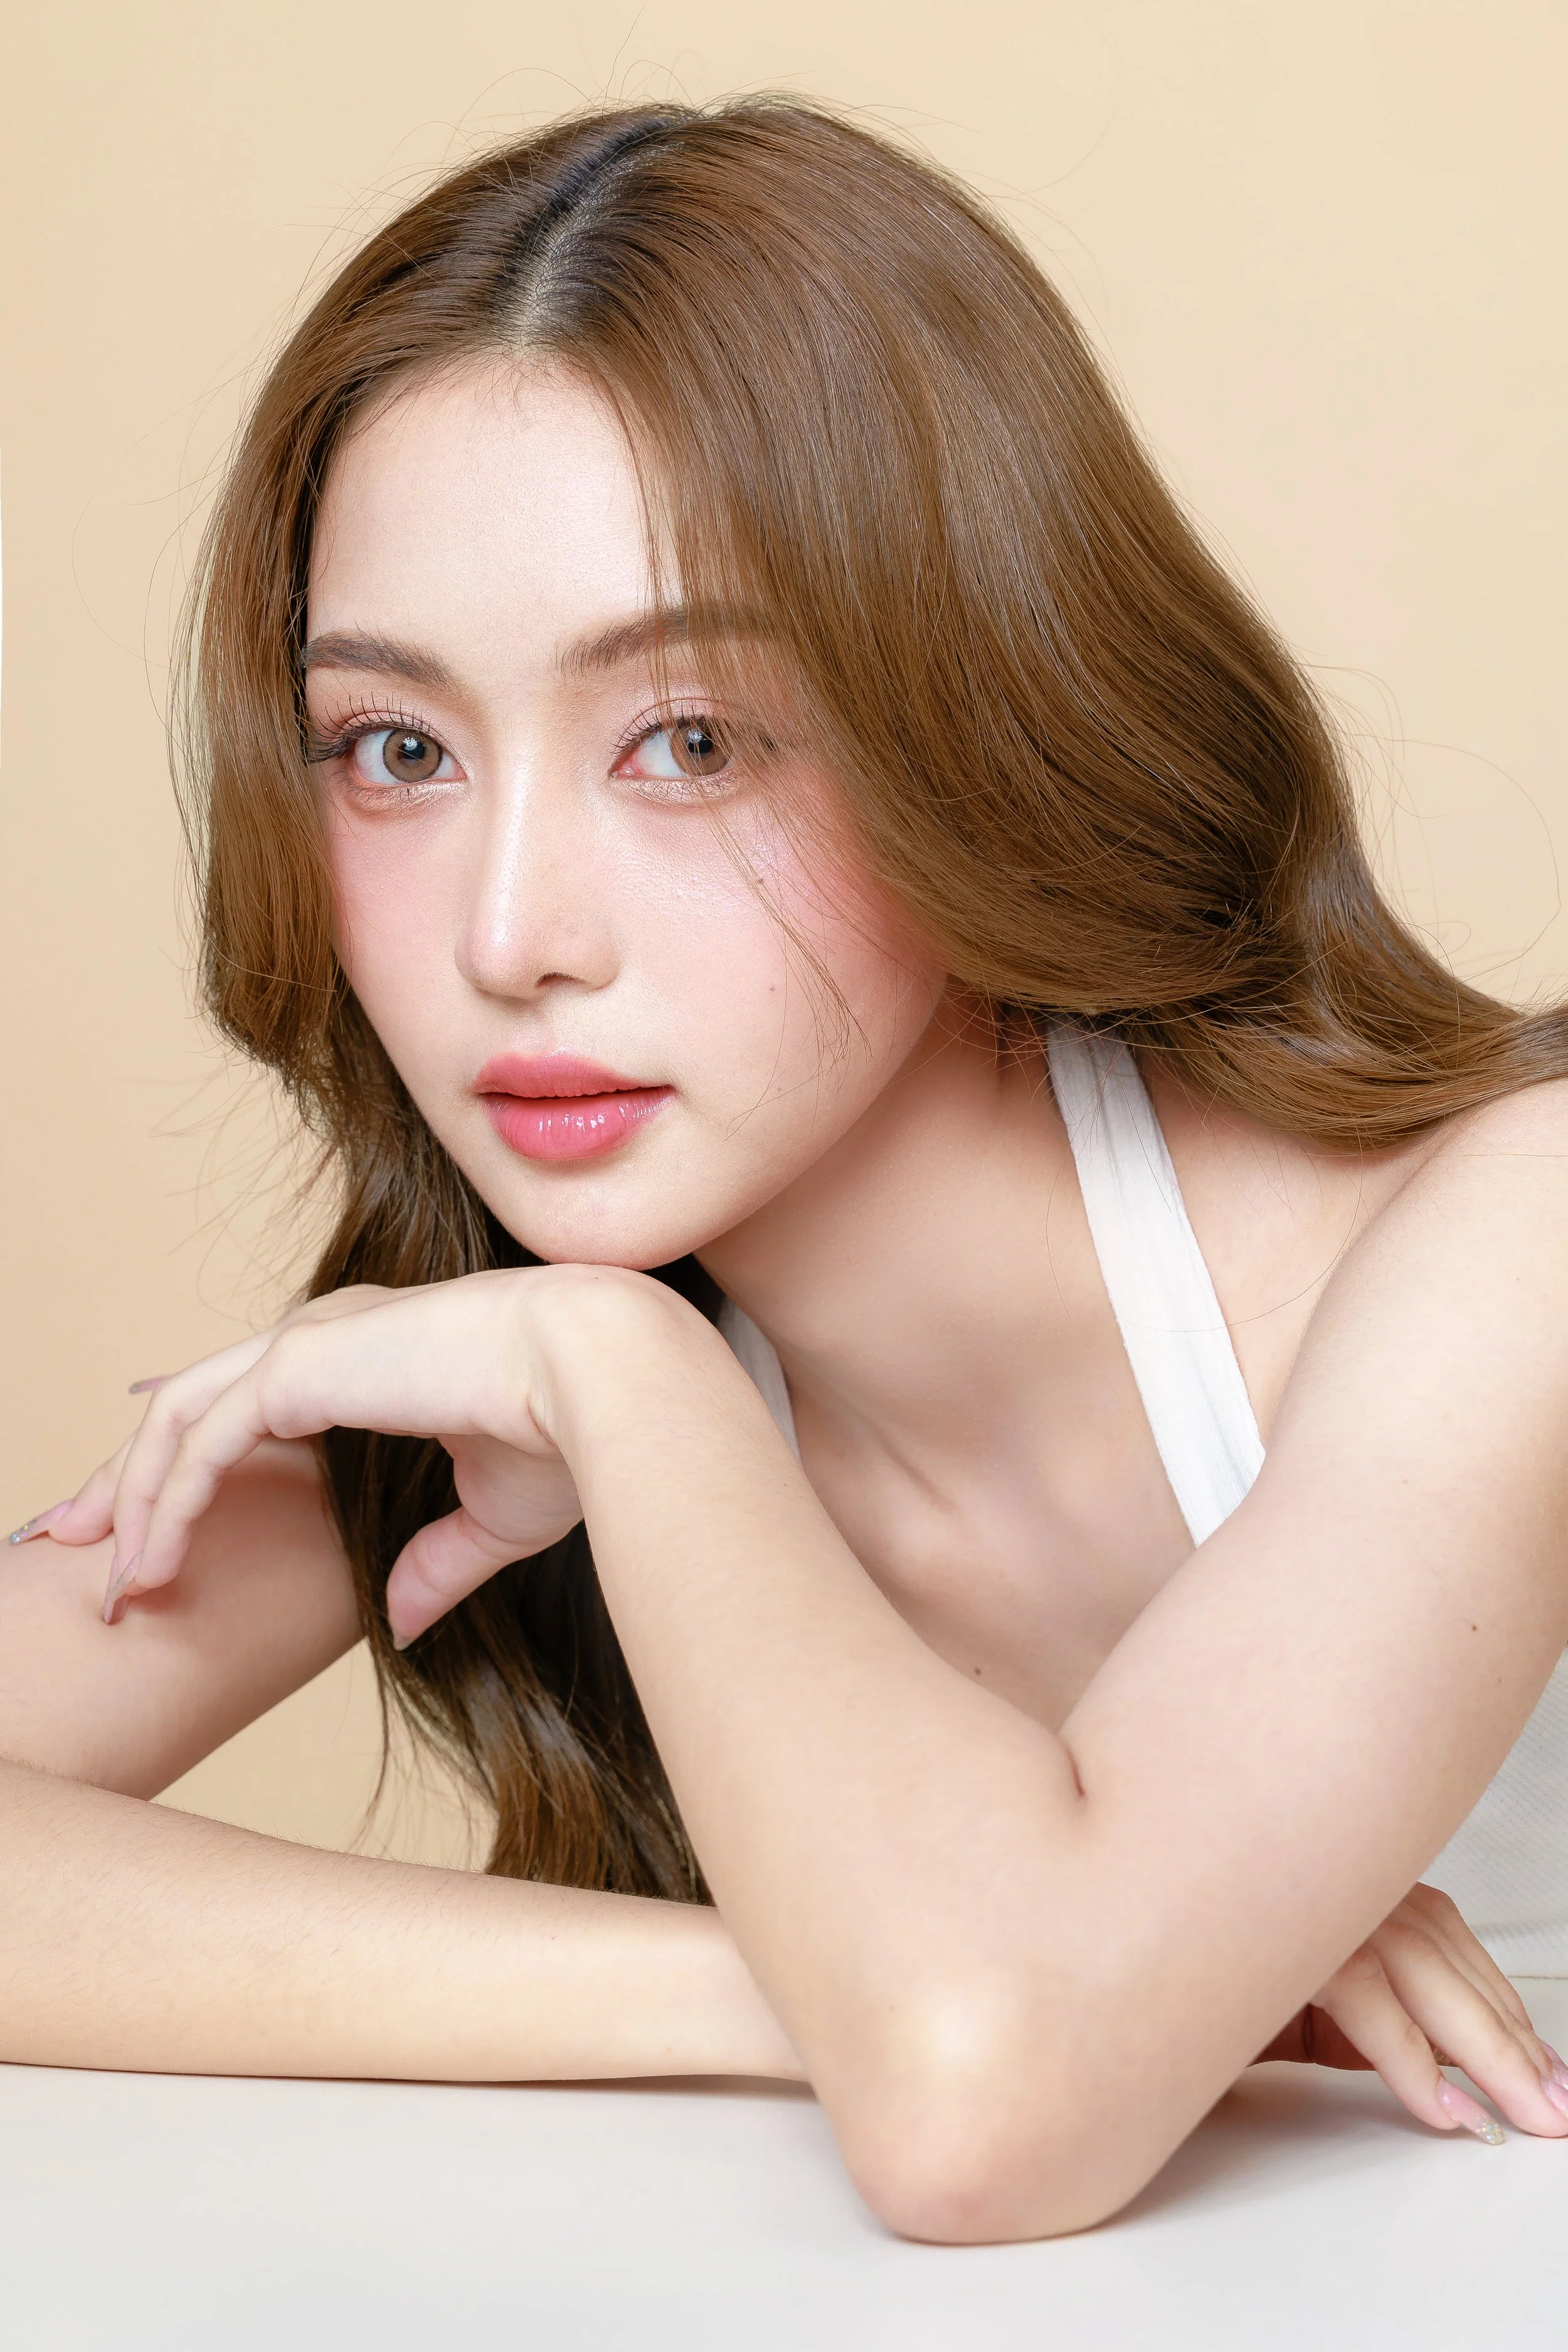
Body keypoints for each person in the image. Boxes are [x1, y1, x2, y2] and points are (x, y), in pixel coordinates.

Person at [4, 96, 1568, 2245]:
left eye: (688, 740)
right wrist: (788, 1978)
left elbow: (979, 2103)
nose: (507, 936)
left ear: (980, 716)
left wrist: (627, 1386)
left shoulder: (1510, 1229)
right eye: (398, 749)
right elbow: (965, 2022)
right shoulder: (530, 1352)